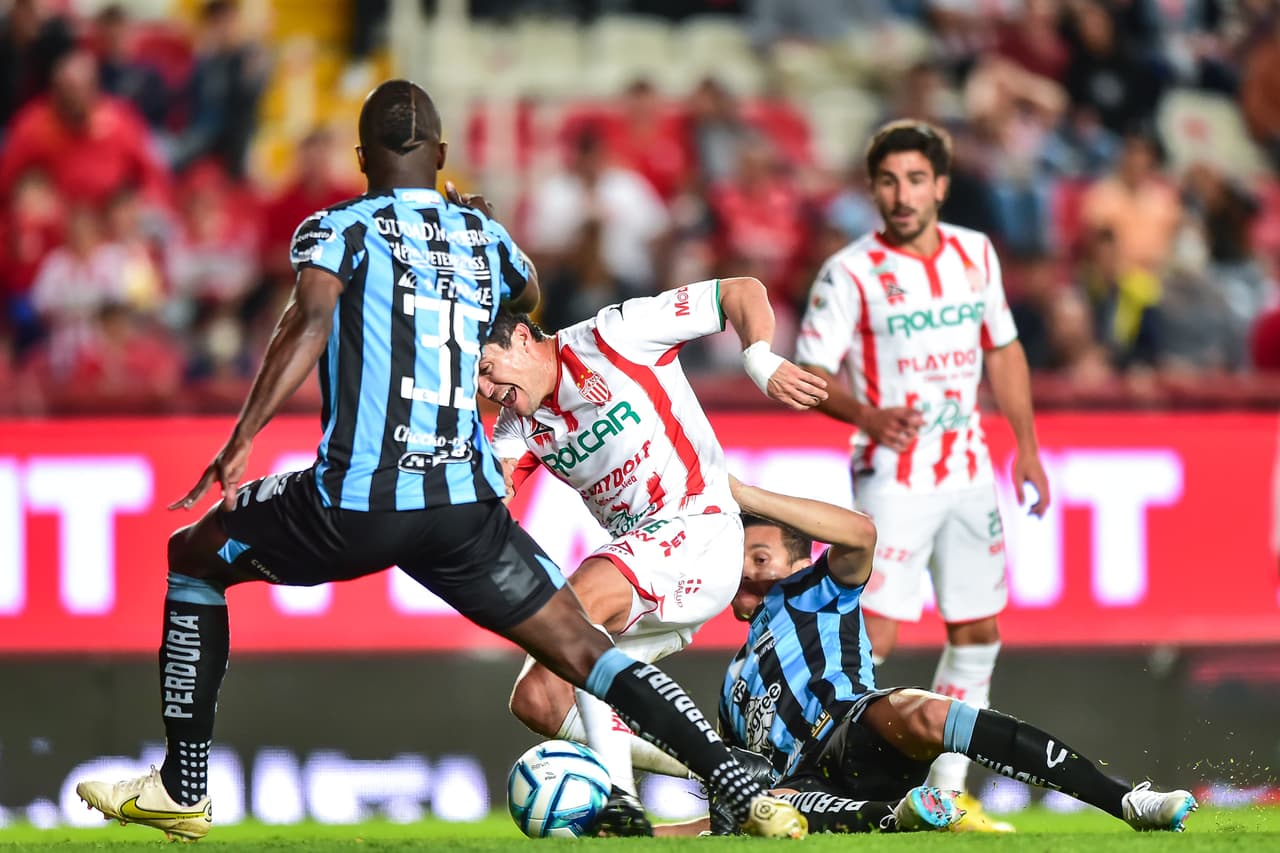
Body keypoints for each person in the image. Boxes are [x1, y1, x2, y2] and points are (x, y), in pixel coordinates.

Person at [73, 79, 808, 843]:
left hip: (355, 501)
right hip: (463, 510)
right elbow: (524, 289)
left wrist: (242, 436)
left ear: (361, 157)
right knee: (581, 646)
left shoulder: (337, 229)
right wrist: (476, 225)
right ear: (444, 155)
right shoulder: (486, 241)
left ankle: (183, 785)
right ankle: (729, 777)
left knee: (194, 557)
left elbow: (310, 320)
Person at [481, 275, 828, 835]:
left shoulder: (619, 334)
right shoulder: (517, 427)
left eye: (486, 367)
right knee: (539, 697)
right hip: (642, 567)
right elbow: (490, 494)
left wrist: (759, 359)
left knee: (575, 613)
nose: (486, 386)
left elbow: (741, 290)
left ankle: (621, 802)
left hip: (700, 529)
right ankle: (728, 770)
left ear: (522, 338)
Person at [794, 118, 1051, 829]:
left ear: (939, 185)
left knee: (976, 629)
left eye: (914, 179)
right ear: (872, 189)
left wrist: (1025, 444)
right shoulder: (848, 271)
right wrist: (867, 415)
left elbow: (1003, 348)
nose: (901, 194)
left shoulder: (975, 252)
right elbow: (809, 373)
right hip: (893, 477)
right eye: (886, 180)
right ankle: (843, 787)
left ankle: (947, 789)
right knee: (872, 640)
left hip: (968, 468)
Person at [713, 480, 1198, 834]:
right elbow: (731, 777)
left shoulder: (811, 590)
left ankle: (1129, 802)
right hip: (801, 790)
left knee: (925, 711)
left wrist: (740, 493)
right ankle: (897, 817)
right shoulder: (730, 682)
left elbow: (860, 532)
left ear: (799, 564)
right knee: (765, 801)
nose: (746, 571)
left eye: (760, 557)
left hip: (851, 731)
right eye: (740, 560)